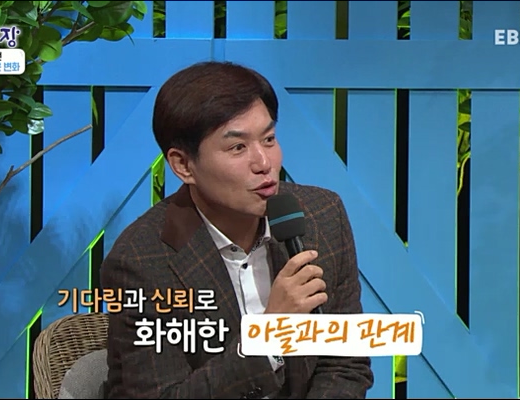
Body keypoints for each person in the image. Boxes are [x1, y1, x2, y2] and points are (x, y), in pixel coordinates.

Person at [100, 61, 374, 399]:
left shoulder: (322, 215)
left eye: (269, 139)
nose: (264, 163)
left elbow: (345, 363)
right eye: (237, 147)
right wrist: (268, 335)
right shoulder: (141, 260)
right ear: (183, 165)